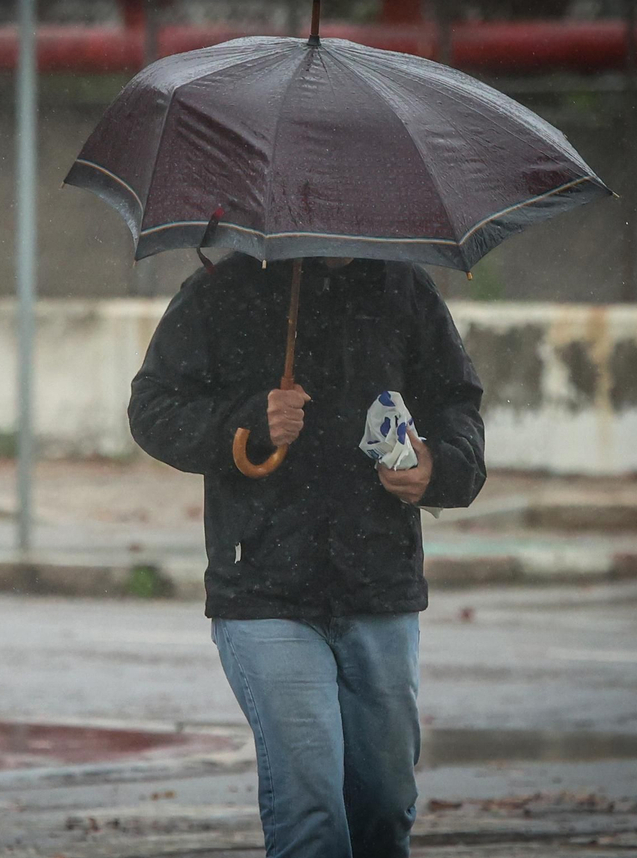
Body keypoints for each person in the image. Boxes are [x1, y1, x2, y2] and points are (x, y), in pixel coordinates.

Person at [127, 254, 485, 858]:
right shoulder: (224, 287)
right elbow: (153, 408)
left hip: (380, 585)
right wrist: (247, 421)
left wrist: (438, 467)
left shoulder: (403, 287)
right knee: (311, 814)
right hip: (265, 588)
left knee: (384, 810)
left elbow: (457, 404)